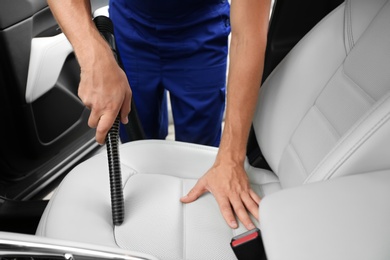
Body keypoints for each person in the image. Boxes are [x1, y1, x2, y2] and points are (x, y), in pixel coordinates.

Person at [47, 0, 271, 230]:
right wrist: (92, 54)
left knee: (201, 151)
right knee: (137, 144)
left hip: (201, 29)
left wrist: (231, 160)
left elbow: (248, 37)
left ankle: (195, 222)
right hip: (131, 25)